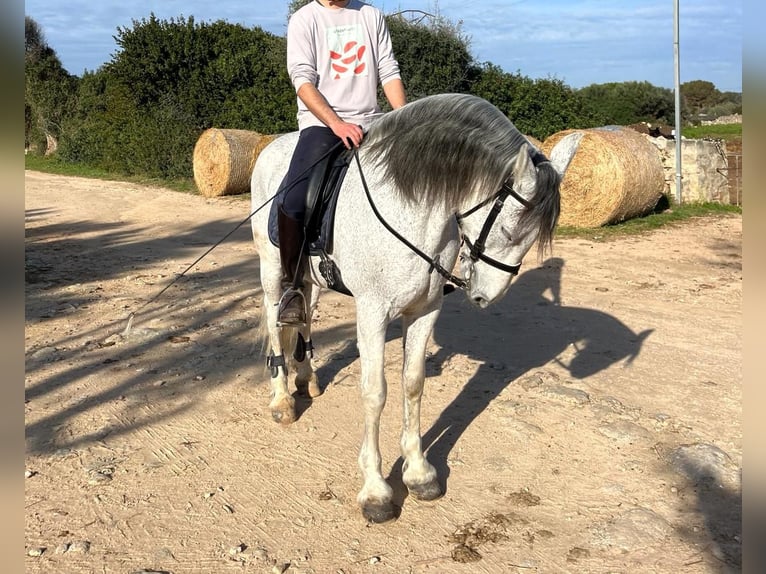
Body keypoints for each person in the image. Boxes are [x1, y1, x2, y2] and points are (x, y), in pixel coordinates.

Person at [276, 0, 407, 326]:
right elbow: (302, 81)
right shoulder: (304, 20)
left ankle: (429, 269)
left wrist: (405, 120)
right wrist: (336, 123)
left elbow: (388, 70)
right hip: (322, 126)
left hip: (373, 123)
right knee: (293, 199)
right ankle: (291, 286)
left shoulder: (371, 16)